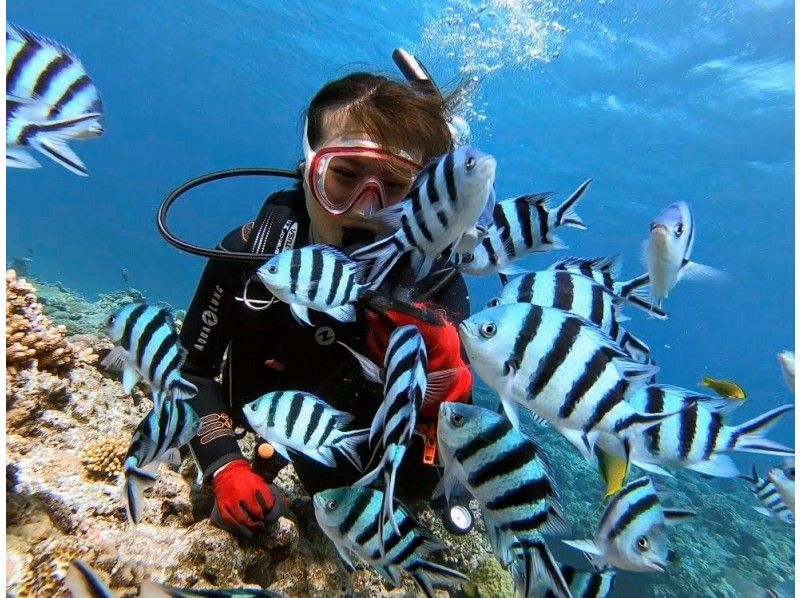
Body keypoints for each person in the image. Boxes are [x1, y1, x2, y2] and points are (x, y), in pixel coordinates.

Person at [178, 58, 474, 540]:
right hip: (258, 428)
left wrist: (442, 396)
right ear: (307, 169)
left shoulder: (433, 290)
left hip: (359, 481)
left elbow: (431, 468)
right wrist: (224, 464)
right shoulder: (252, 253)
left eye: (394, 187)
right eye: (344, 175)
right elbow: (191, 371)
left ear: (421, 198)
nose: (366, 207)